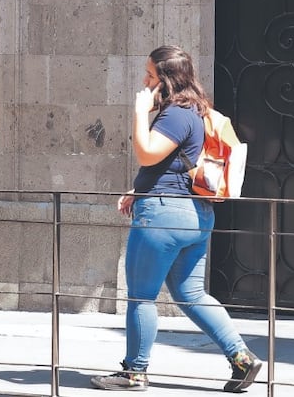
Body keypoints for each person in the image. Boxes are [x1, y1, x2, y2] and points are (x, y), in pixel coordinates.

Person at [90, 45, 262, 392]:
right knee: (191, 293)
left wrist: (140, 112)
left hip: (163, 216)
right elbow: (171, 165)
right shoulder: (196, 112)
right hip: (195, 218)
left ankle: (134, 372)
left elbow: (148, 152)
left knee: (141, 297)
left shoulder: (175, 114)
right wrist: (137, 189)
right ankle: (242, 358)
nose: (144, 82)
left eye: (150, 76)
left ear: (165, 81)